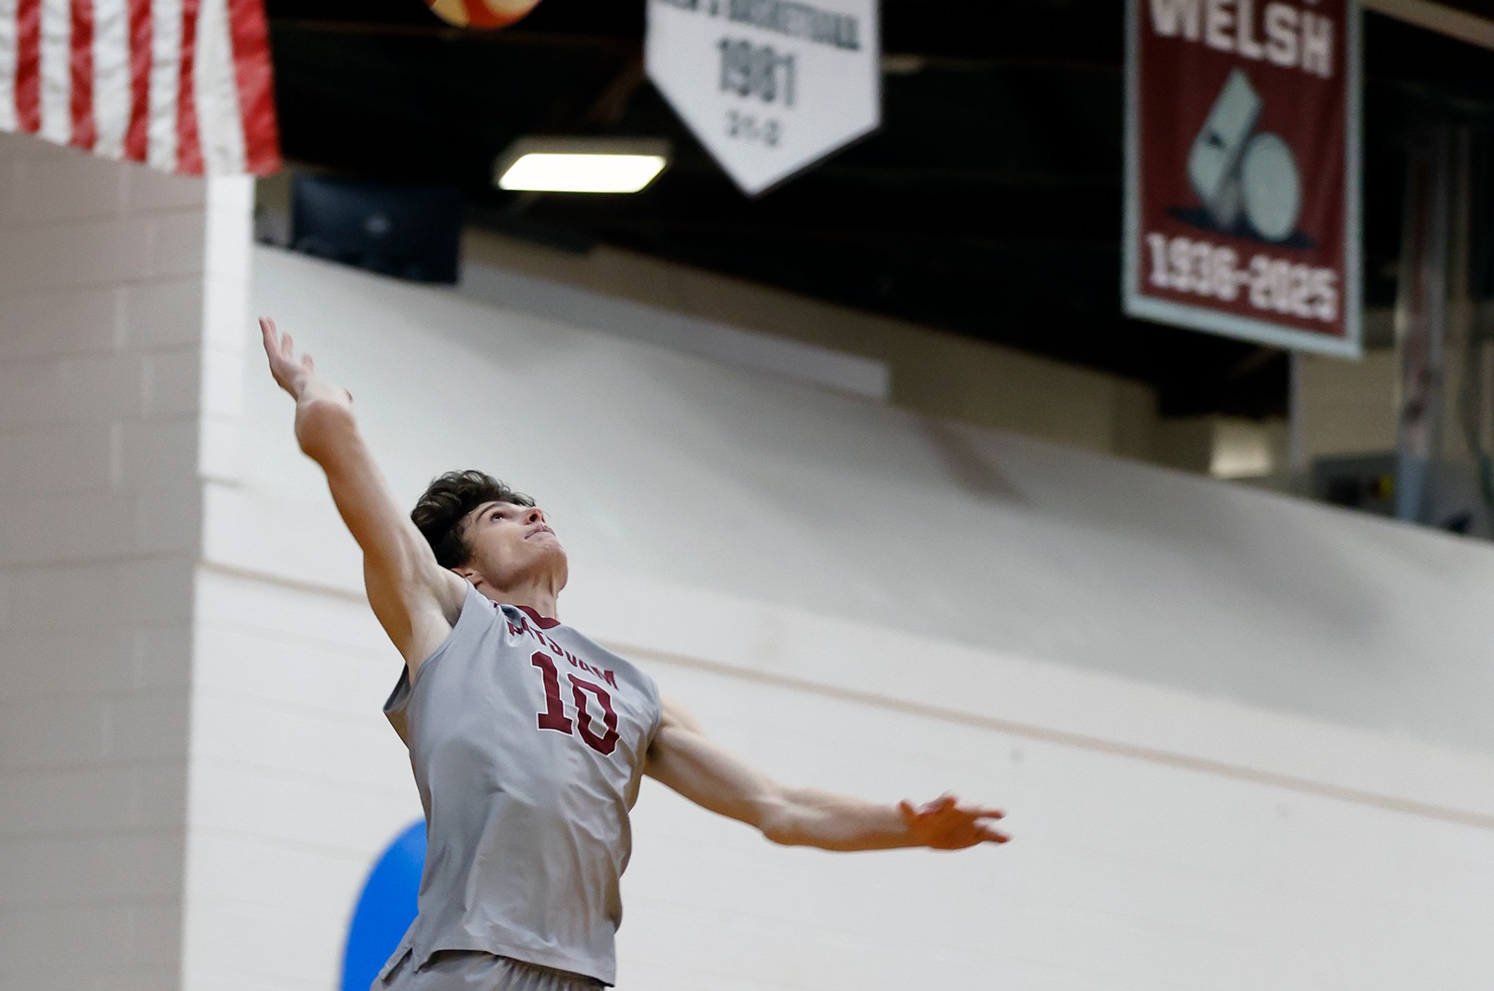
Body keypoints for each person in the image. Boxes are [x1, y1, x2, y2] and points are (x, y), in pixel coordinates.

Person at [260, 318, 1008, 991]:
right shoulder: (449, 618)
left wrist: (904, 827)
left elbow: (778, 807)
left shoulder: (634, 692)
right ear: (466, 571)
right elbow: (357, 486)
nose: (531, 512)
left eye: (530, 506)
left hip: (581, 974)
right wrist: (320, 404)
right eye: (499, 516)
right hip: (466, 959)